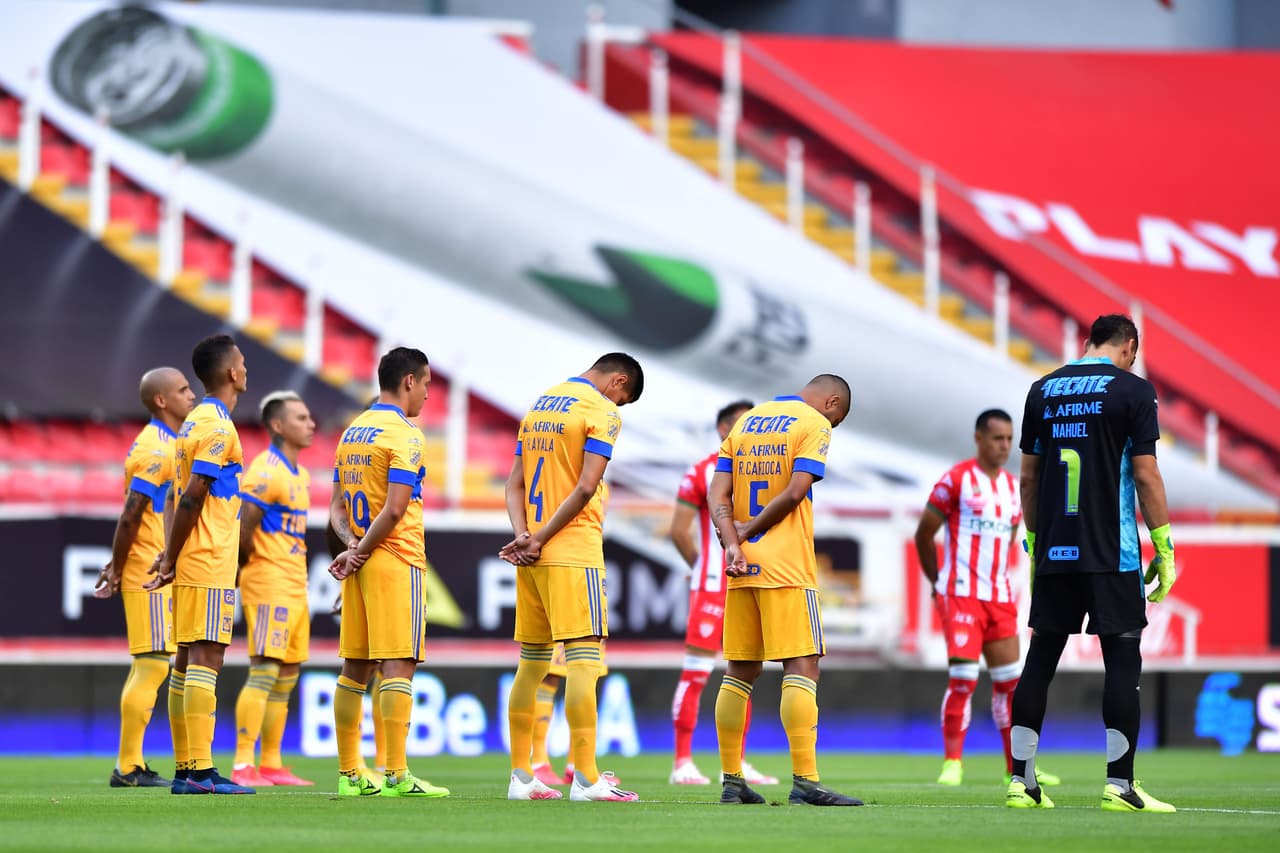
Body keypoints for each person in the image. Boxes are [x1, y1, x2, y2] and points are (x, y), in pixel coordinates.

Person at [1006, 314, 1176, 813]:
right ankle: (1119, 787)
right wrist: (1163, 547)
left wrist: (1037, 542)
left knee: (1039, 660)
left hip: (1056, 547)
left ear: (1086, 343)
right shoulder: (1134, 391)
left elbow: (1029, 479)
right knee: (1122, 659)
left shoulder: (1043, 389)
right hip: (1112, 552)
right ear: (1130, 346)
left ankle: (1021, 782)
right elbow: (1145, 476)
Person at [709, 375, 862, 807]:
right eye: (839, 417)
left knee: (739, 671)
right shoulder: (813, 423)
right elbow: (797, 492)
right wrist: (750, 531)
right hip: (787, 565)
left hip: (742, 567)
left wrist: (733, 542)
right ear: (831, 401)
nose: (834, 424)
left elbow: (717, 491)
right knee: (803, 665)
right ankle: (806, 781)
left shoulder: (748, 421)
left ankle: (732, 781)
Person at [500, 353, 644, 802]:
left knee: (531, 663)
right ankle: (586, 778)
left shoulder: (541, 404)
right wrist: (541, 537)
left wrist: (525, 536)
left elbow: (513, 484)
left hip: (533, 555)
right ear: (618, 380)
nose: (618, 404)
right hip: (573, 549)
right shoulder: (600, 411)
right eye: (623, 396)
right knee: (583, 662)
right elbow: (586, 487)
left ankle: (521, 778)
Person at [914, 410, 1060, 788]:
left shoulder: (1015, 488)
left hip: (999, 596)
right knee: (963, 679)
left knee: (1010, 685)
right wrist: (937, 582)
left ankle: (1018, 766)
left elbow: (1014, 539)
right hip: (960, 594)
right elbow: (924, 534)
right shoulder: (956, 480)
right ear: (979, 438)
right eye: (998, 438)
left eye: (1010, 439)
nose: (1005, 446)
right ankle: (952, 763)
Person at [328, 346, 449, 799]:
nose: (427, 395)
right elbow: (397, 508)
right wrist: (364, 551)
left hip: (360, 558)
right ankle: (397, 774)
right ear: (409, 382)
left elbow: (337, 509)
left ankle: (349, 774)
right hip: (395, 558)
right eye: (427, 384)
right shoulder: (405, 434)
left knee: (354, 667)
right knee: (399, 663)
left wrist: (352, 545)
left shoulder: (352, 432)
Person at [145, 334, 253, 795]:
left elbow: (175, 493)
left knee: (187, 657)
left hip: (193, 553)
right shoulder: (216, 427)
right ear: (231, 372)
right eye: (242, 363)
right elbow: (191, 495)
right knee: (207, 653)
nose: (246, 369)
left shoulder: (190, 422)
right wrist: (170, 553)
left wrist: (172, 551)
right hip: (208, 555)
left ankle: (187, 767)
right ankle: (202, 771)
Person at [94, 367, 196, 787]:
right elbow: (132, 512)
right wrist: (119, 566)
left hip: (157, 567)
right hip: (147, 570)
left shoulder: (171, 443)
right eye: (183, 390)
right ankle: (128, 766)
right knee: (152, 663)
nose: (191, 395)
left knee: (154, 662)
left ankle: (132, 762)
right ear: (161, 400)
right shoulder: (156, 448)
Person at [669, 400, 777, 787]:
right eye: (746, 423)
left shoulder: (765, 467)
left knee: (744, 674)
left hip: (750, 583)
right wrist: (702, 567)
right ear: (724, 429)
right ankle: (682, 761)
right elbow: (679, 530)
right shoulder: (702, 471)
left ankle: (738, 762)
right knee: (696, 672)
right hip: (713, 589)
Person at [231, 391, 316, 787]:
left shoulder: (300, 474)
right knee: (264, 669)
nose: (310, 423)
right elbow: (243, 528)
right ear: (278, 426)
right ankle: (243, 763)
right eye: (301, 418)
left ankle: (271, 762)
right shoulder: (265, 470)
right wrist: (251, 569)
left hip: (295, 582)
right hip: (268, 581)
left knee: (287, 673)